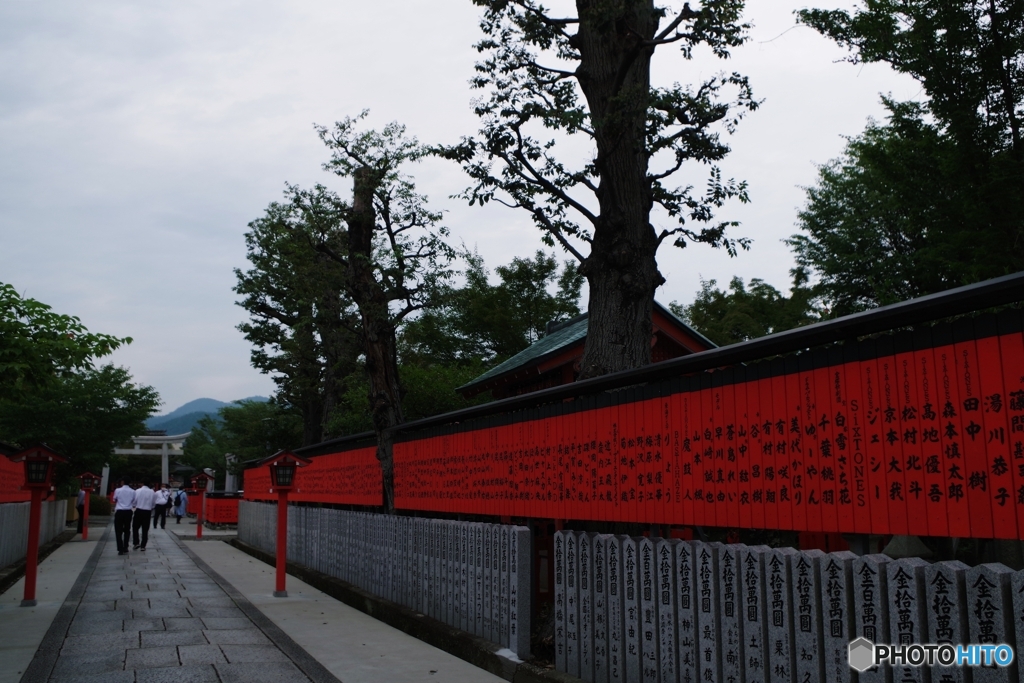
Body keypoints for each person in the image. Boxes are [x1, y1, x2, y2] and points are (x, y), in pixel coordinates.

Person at [112, 478, 136, 555]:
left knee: (118, 530)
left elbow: (114, 499)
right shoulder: (133, 491)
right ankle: (126, 546)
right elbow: (134, 502)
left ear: (122, 482)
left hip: (119, 510)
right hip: (128, 511)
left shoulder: (118, 490)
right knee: (127, 529)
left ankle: (120, 548)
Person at [132, 479, 156, 550]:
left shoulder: (137, 491)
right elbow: (153, 503)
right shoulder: (152, 492)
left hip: (139, 510)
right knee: (145, 529)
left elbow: (134, 502)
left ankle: (136, 542)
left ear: (142, 483)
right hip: (147, 511)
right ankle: (143, 545)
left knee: (135, 527)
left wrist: (135, 506)